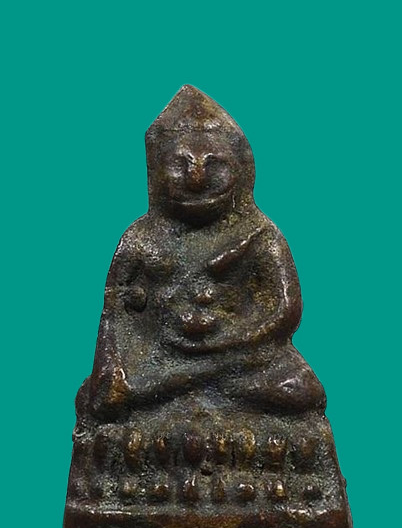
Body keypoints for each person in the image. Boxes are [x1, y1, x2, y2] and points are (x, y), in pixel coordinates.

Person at [76, 85, 326, 421]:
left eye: (214, 165)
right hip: (162, 353)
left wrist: (230, 341)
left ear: (242, 170)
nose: (196, 179)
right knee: (104, 394)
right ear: (155, 172)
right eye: (180, 165)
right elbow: (115, 311)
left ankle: (176, 386)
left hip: (241, 356)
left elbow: (286, 310)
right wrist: (114, 363)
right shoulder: (140, 237)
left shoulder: (260, 235)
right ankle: (180, 385)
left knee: (301, 388)